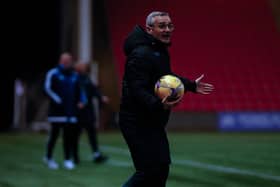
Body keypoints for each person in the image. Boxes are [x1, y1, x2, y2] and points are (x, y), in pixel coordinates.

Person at [119, 11, 214, 187]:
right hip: (136, 121)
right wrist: (157, 105)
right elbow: (136, 88)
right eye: (162, 26)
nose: (167, 29)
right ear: (149, 29)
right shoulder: (140, 54)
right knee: (147, 172)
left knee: (161, 169)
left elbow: (166, 76)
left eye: (170, 25)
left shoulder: (157, 51)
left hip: (152, 120)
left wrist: (191, 85)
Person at [43, 52, 82, 170]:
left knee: (68, 136)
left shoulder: (75, 75)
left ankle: (67, 159)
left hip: (70, 112)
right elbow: (47, 88)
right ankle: (49, 158)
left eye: (69, 60)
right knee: (54, 135)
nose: (67, 62)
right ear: (61, 60)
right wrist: (58, 100)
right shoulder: (53, 73)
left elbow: (79, 91)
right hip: (57, 112)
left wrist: (80, 101)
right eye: (65, 60)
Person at [74, 62, 109, 164]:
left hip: (88, 110)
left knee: (92, 133)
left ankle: (96, 154)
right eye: (82, 66)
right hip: (78, 111)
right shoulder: (74, 77)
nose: (84, 68)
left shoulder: (86, 78)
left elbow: (94, 90)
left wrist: (101, 97)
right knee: (76, 134)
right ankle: (75, 156)